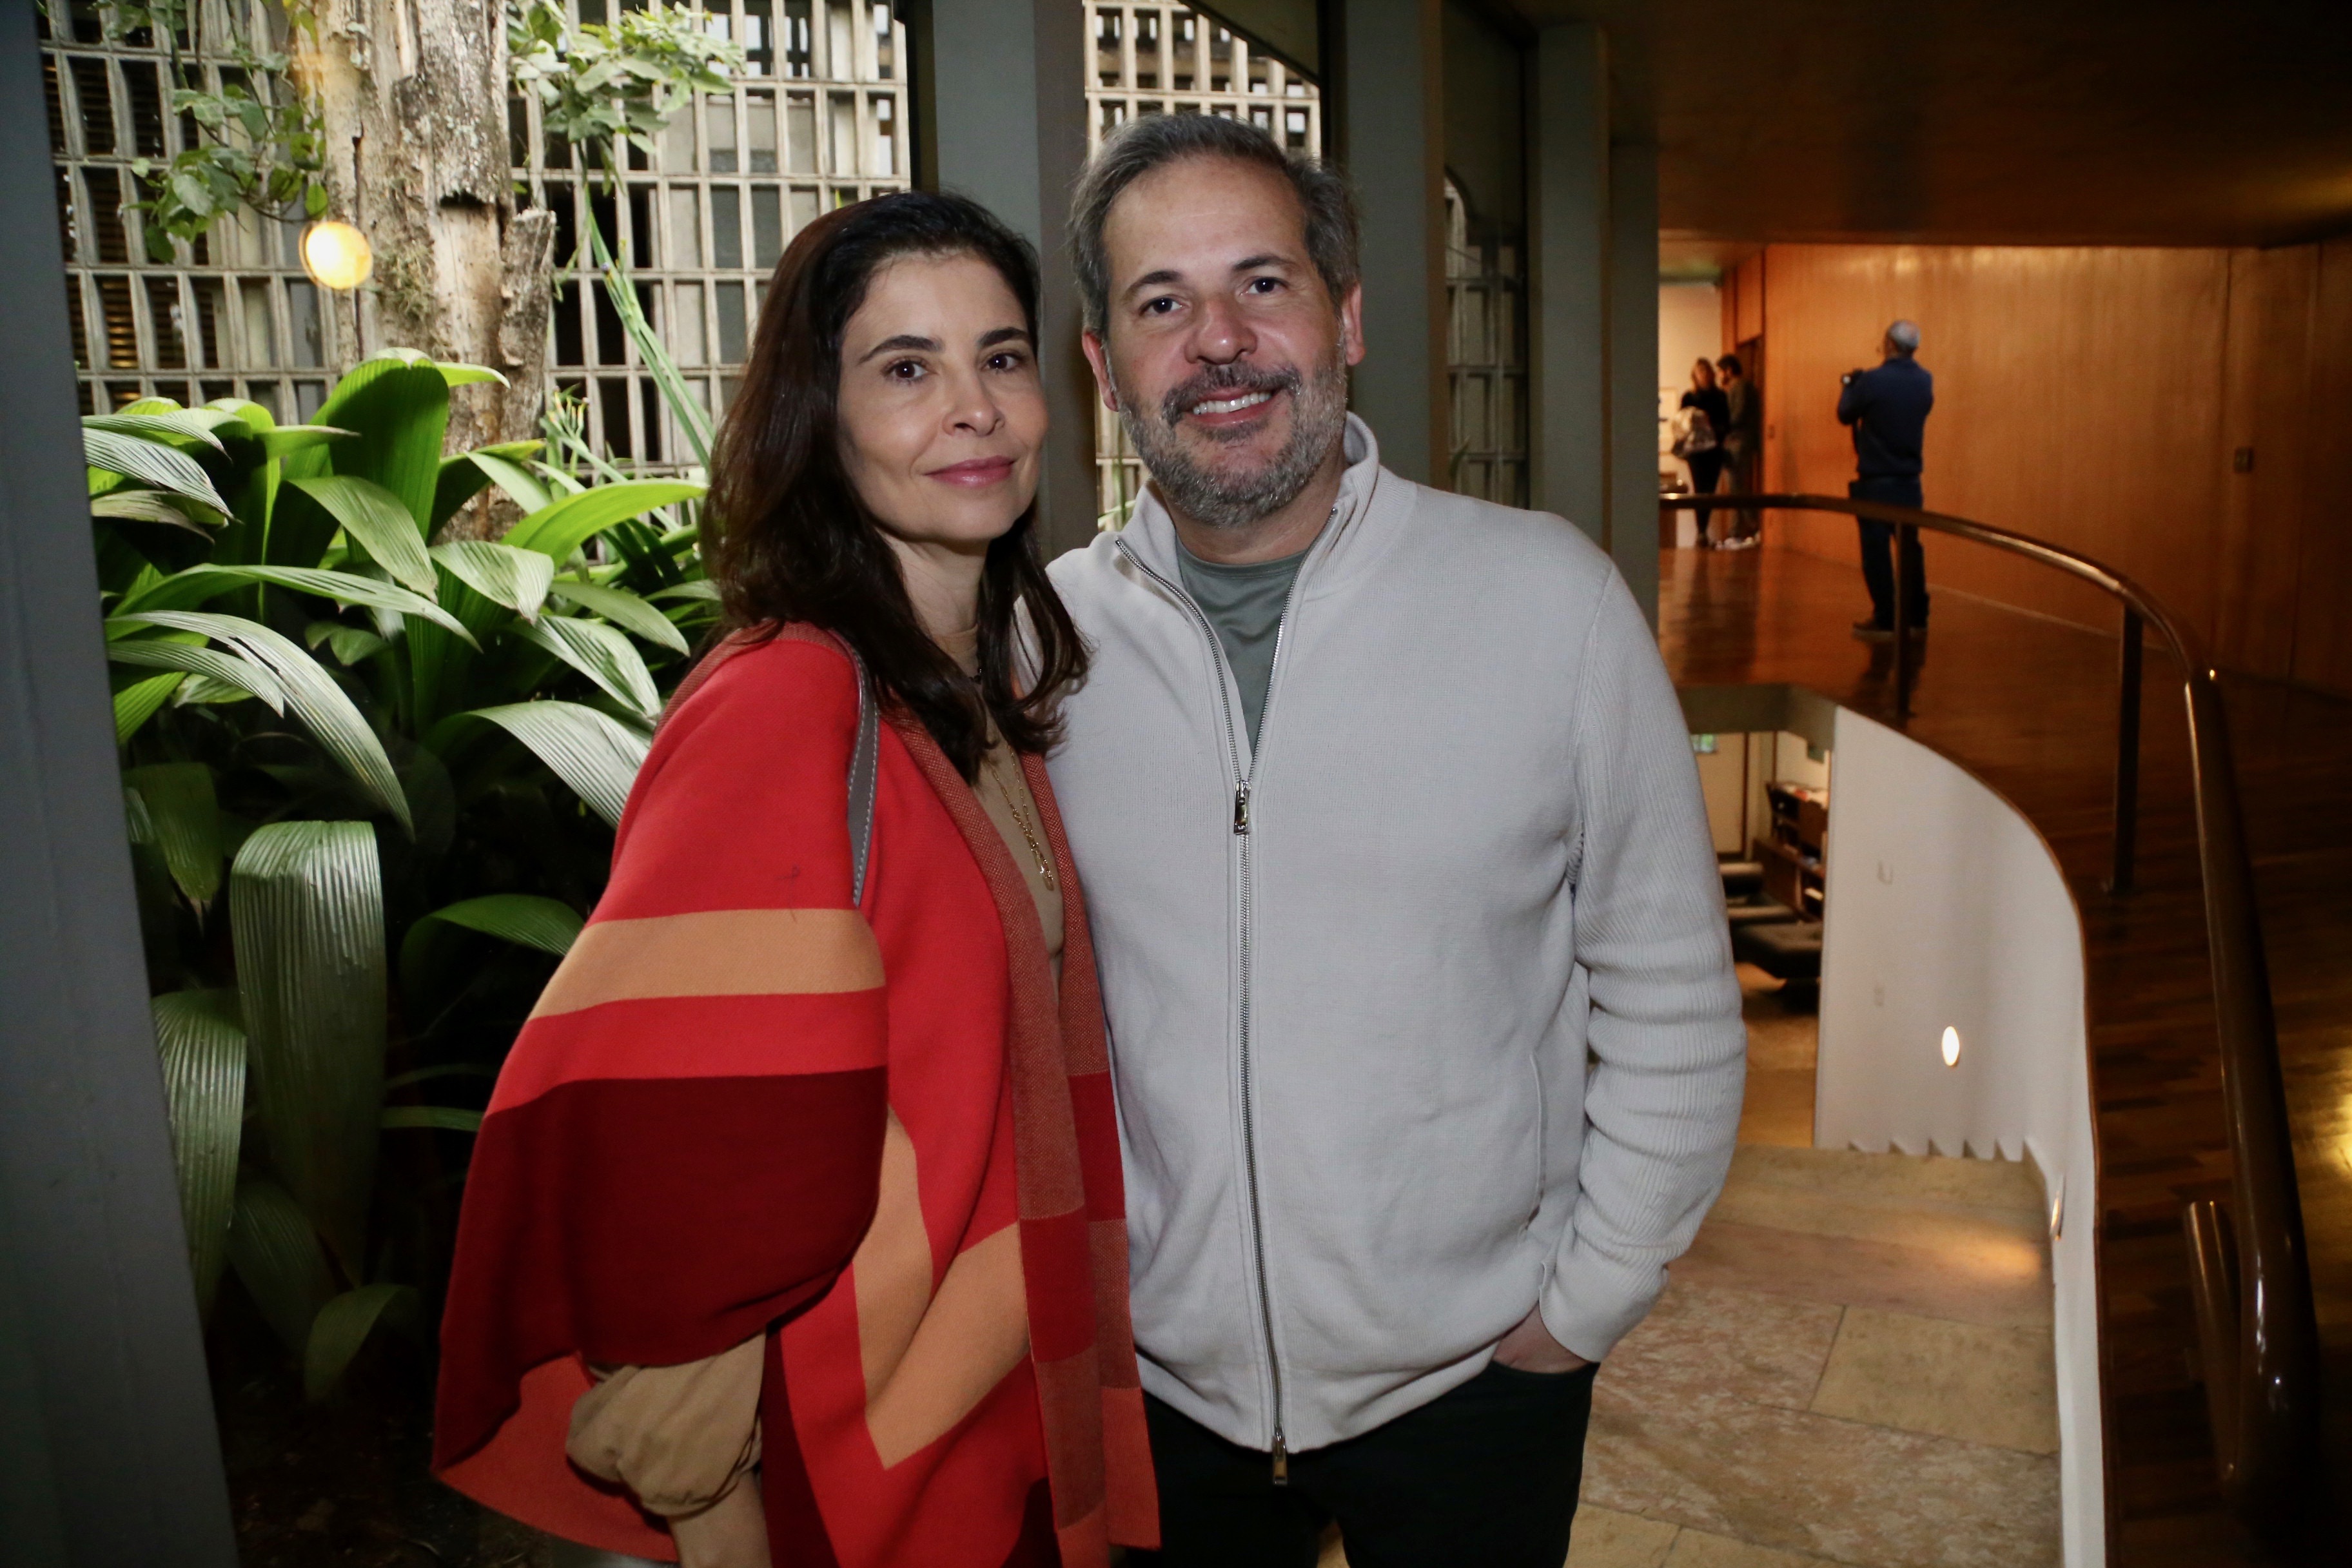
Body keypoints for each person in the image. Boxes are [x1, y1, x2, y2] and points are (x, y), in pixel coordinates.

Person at [1049, 113, 1747, 1568]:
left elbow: (1672, 997)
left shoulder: (1547, 604)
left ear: (1348, 318)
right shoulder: (1035, 652)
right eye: (1163, 302)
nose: (1220, 341)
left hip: (1476, 1389)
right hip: (1160, 1400)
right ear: (1104, 367)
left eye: (1263, 283)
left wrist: (1584, 1307)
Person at [431, 192, 1158, 1568]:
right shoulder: (787, 699)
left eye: (1001, 357)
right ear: (818, 419)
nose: (974, 408)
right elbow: (668, 1128)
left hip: (983, 1400)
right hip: (852, 1451)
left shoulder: (962, 694)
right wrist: (704, 1465)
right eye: (906, 368)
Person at [1838, 320, 1934, 638]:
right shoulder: (1925, 380)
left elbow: (1845, 414)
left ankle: (1886, 618)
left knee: (1876, 552)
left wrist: (1849, 385)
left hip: (1876, 481)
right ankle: (1917, 618)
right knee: (1910, 550)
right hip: (1910, 481)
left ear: (1889, 344)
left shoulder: (1872, 380)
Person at [1676, 358, 1730, 545]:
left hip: (1714, 450)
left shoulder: (1720, 396)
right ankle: (1701, 531)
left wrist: (1711, 426)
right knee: (1700, 489)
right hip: (1696, 452)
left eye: (1707, 370)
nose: (1704, 374)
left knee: (1710, 490)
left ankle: (1703, 529)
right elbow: (1681, 424)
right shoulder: (1689, 397)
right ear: (1695, 375)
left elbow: (1727, 423)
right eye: (1700, 371)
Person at [1716, 352, 1761, 547]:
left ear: (1729, 370)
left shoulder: (1740, 386)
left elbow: (1738, 415)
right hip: (1738, 441)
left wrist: (1722, 427)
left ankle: (1752, 526)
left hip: (1739, 442)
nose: (1719, 375)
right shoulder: (1737, 387)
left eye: (1720, 371)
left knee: (1737, 487)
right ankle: (1737, 531)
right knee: (1736, 487)